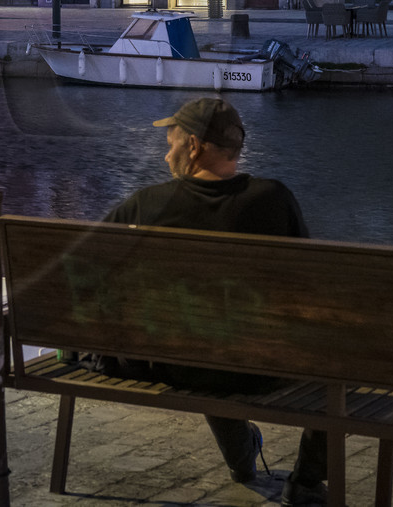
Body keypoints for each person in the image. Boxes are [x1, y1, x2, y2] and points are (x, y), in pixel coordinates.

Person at [103, 98, 327, 505]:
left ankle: (244, 461)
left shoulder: (146, 205)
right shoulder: (273, 200)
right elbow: (308, 282)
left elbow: (84, 263)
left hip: (170, 365)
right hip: (262, 369)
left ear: (193, 146)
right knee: (331, 357)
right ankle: (308, 481)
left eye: (170, 144)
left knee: (204, 339)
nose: (165, 153)